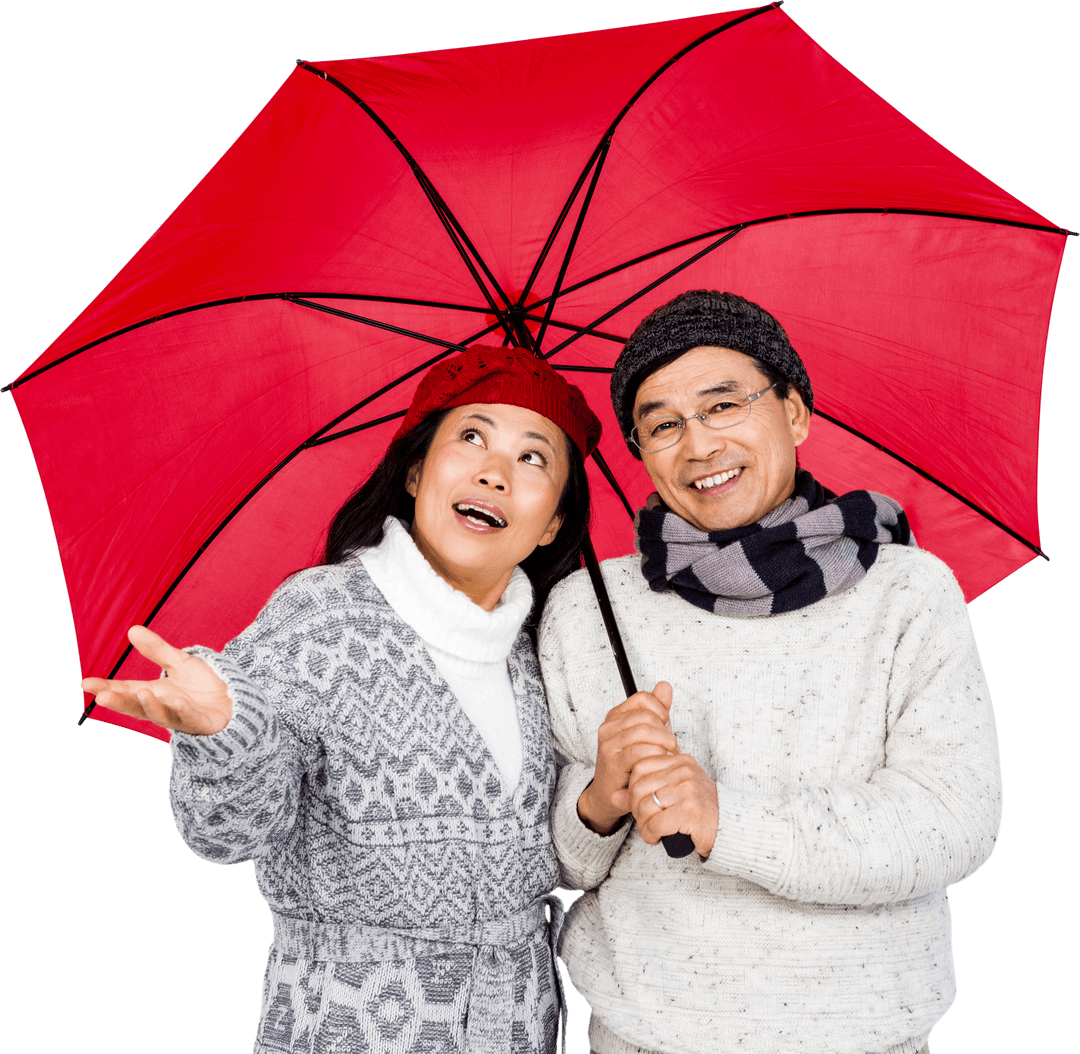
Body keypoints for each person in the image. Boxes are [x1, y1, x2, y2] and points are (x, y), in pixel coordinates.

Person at [80, 344, 602, 1054]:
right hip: (344, 1027)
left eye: (534, 457)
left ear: (551, 524)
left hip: (517, 1029)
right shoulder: (322, 621)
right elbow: (228, 835)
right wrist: (225, 731)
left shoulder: (548, 655)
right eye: (471, 436)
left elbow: (561, 860)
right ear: (416, 472)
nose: (494, 471)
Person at [539, 291, 1002, 1054]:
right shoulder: (589, 607)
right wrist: (598, 800)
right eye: (662, 425)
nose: (698, 446)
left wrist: (729, 822)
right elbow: (557, 865)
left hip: (866, 1038)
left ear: (794, 413)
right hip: (645, 1037)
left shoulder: (907, 591)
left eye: (724, 405)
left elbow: (954, 822)